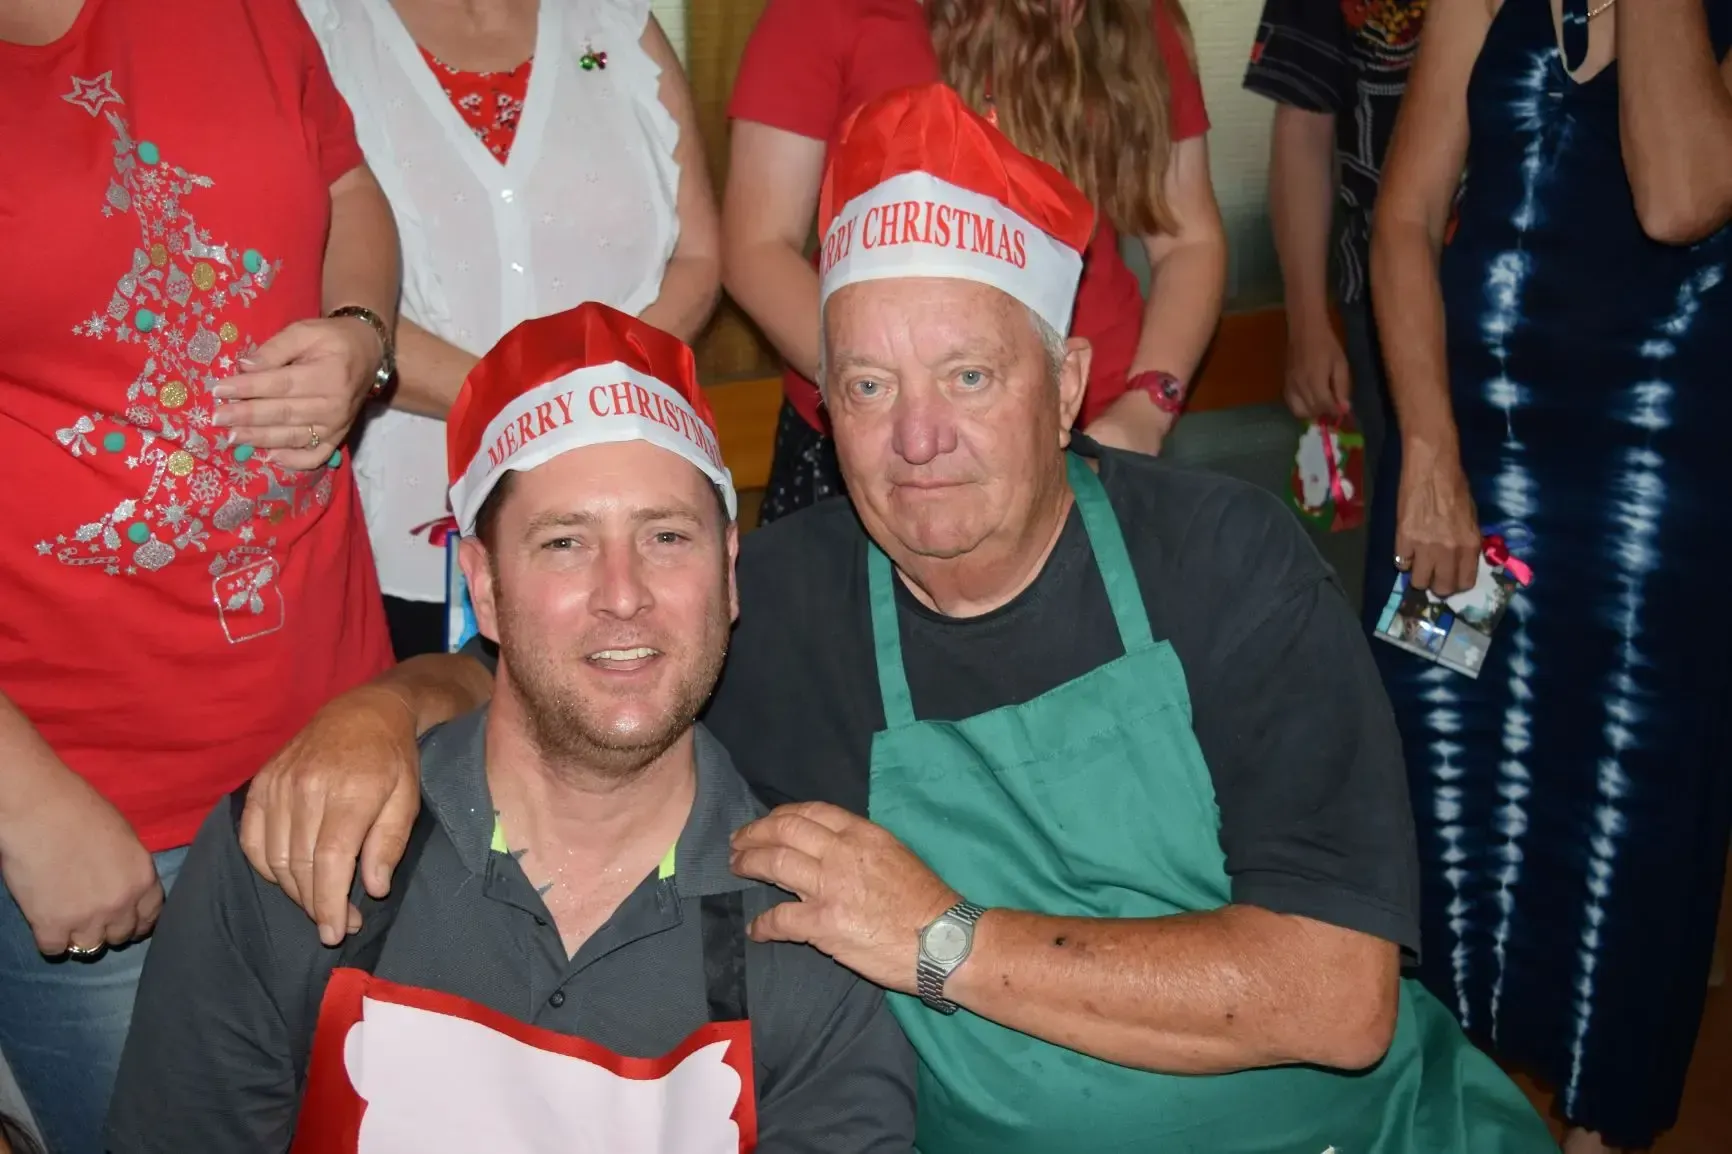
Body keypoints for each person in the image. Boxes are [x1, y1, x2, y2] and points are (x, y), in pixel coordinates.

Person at [239, 83, 1557, 1152]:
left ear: (1067, 384)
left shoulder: (1221, 560)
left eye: (969, 375)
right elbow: (577, 660)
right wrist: (382, 709)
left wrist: (946, 940)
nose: (917, 440)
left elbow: (1334, 996)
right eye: (866, 384)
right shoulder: (790, 594)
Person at [104, 303, 916, 1152]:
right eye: (565, 543)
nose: (623, 592)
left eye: (668, 536)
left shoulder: (816, 923)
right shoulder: (295, 852)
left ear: (729, 576)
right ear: (483, 587)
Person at [0, 0, 399, 1148]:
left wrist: (360, 334)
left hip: (339, 743)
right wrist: (23, 802)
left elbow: (347, 191)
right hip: (99, 805)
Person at [1366, 0, 1732, 1150]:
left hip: (1660, 497)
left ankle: (1597, 1129)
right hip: (1462, 484)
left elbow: (1680, 195)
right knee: (1433, 806)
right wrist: (1426, 450)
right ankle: (1439, 1113)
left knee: (1629, 830)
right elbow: (1404, 216)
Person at [301, 0, 721, 659]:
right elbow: (307, 286)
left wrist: (594, 399)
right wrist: (542, 408)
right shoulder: (316, 31)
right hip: (408, 535)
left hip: (630, 523)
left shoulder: (616, 22)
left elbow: (698, 259)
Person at [723, 0, 1226, 523]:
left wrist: (1147, 407)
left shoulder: (1134, 15)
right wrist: (890, 399)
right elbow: (757, 250)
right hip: (881, 446)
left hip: (1097, 430)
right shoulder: (825, 12)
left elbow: (1188, 240)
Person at [1243, 0, 1430, 489]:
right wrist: (1306, 320)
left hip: (1537, 279)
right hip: (1381, 299)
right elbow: (1303, 123)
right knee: (1408, 512)